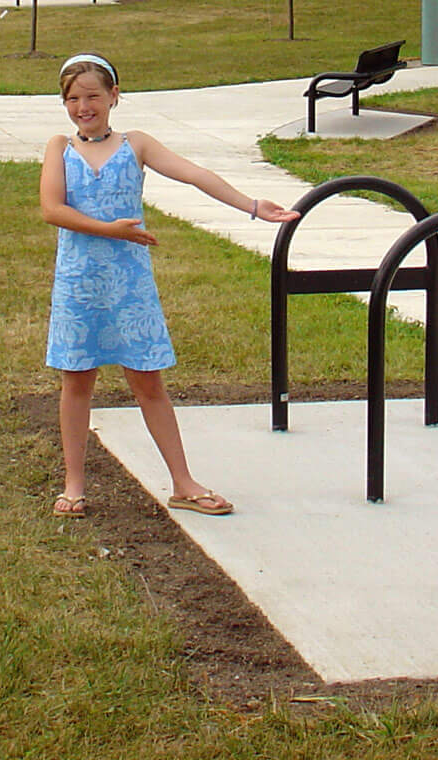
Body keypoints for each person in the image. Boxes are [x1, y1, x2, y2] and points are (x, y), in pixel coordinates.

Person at [42, 51, 297, 520]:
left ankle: (183, 482)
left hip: (130, 289)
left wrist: (252, 205)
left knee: (148, 383)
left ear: (114, 96)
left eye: (93, 96)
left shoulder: (135, 144)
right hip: (79, 287)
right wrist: (110, 230)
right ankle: (74, 484)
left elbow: (194, 174)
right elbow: (52, 209)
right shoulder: (59, 147)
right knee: (76, 383)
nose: (83, 106)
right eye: (73, 98)